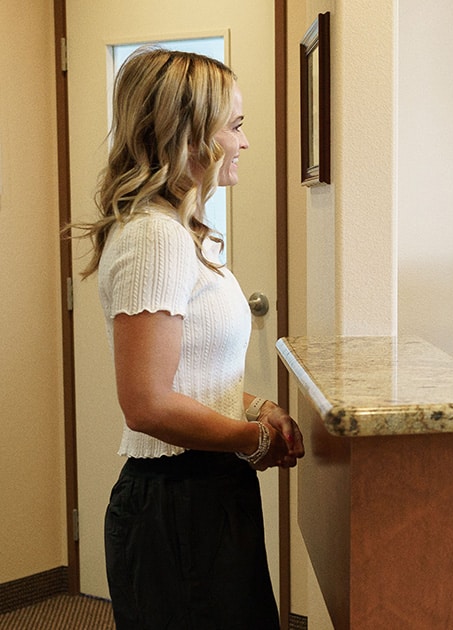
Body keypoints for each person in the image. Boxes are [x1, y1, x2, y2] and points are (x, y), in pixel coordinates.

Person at [69, 47, 304, 629]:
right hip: (177, 507)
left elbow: (188, 378)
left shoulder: (179, 233)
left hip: (205, 493)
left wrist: (260, 408)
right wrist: (252, 439)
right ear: (191, 134)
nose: (244, 142)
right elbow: (147, 402)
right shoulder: (155, 238)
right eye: (236, 126)